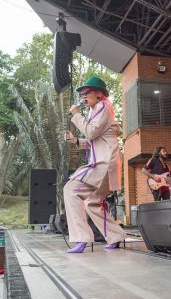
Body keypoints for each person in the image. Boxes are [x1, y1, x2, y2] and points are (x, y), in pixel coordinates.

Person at [63, 76, 126, 253]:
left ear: (99, 94)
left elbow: (91, 133)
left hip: (103, 164)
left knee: (70, 189)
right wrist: (75, 141)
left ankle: (82, 238)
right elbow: (94, 140)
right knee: (92, 202)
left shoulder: (103, 107)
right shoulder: (97, 110)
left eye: (87, 92)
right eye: (82, 93)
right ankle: (115, 236)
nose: (84, 96)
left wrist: (76, 115)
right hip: (105, 163)